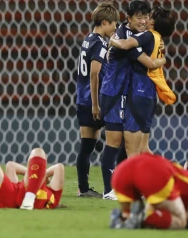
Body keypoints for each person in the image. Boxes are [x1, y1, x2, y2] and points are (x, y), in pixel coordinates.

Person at [109, 5, 176, 155]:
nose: (145, 20)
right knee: (144, 150)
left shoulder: (148, 36)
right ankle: (166, 176)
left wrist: (112, 40)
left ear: (153, 23)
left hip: (139, 92)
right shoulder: (158, 40)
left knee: (132, 151)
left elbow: (126, 45)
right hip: (149, 93)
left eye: (149, 17)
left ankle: (137, 178)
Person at [75, 1, 119, 198]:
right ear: (104, 22)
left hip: (83, 98)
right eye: (113, 24)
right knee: (119, 141)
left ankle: (84, 189)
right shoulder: (99, 43)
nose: (115, 28)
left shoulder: (88, 39)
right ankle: (112, 187)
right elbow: (94, 73)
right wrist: (96, 104)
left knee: (87, 146)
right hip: (96, 101)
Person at [110, 153, 188, 230]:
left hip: (120, 172)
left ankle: (124, 217)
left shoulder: (177, 187)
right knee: (181, 222)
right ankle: (141, 217)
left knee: (135, 214)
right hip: (155, 173)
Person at [0, 147, 64, 210]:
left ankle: (29, 199)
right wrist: (39, 174)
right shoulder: (33, 183)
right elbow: (11, 166)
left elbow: (59, 167)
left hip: (35, 200)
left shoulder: (54, 197)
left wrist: (42, 174)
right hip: (13, 195)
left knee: (38, 151)